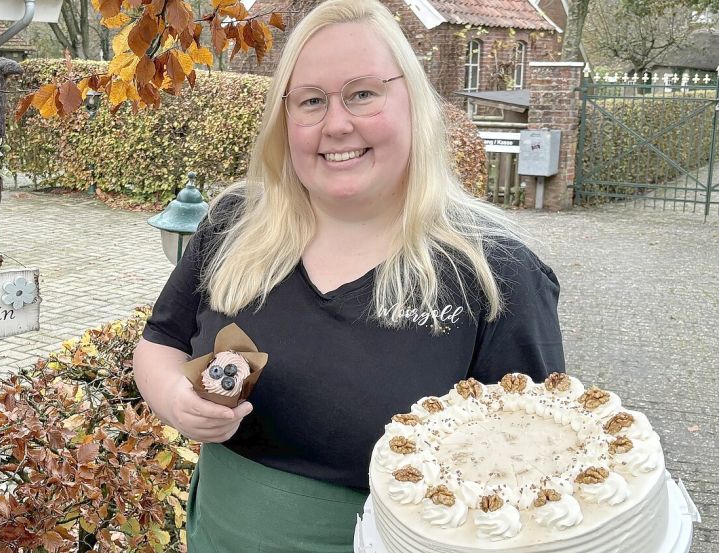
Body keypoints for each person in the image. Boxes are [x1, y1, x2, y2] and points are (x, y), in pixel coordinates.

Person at [132, 0, 565, 550]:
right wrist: (175, 398)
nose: (336, 124)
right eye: (311, 101)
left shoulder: (497, 276)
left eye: (363, 93)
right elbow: (161, 342)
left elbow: (533, 471)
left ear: (413, 101)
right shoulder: (235, 224)